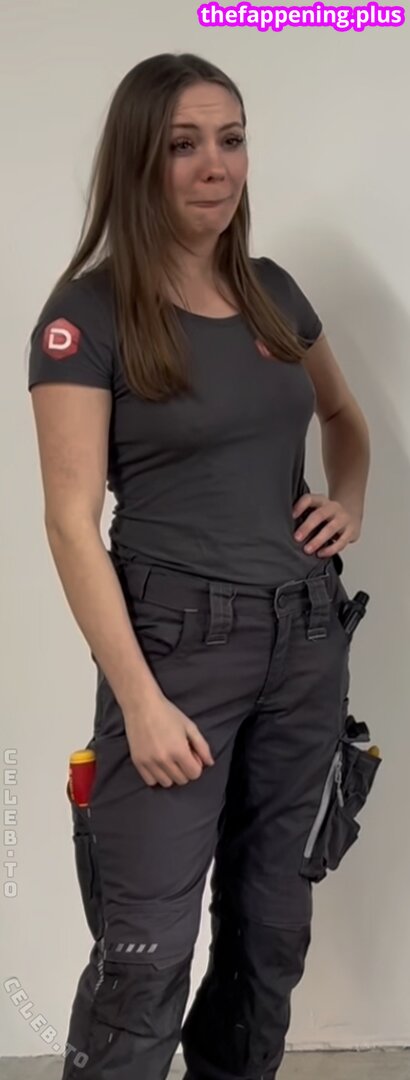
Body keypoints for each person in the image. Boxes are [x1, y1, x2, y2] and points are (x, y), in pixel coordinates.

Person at [27, 52, 373, 1080]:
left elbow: (344, 419)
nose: (215, 165)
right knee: (144, 956)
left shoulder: (272, 293)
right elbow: (69, 524)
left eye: (231, 139)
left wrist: (348, 502)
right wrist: (138, 701)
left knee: (270, 938)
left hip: (305, 645)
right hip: (175, 654)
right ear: (139, 159)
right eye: (184, 144)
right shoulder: (87, 314)